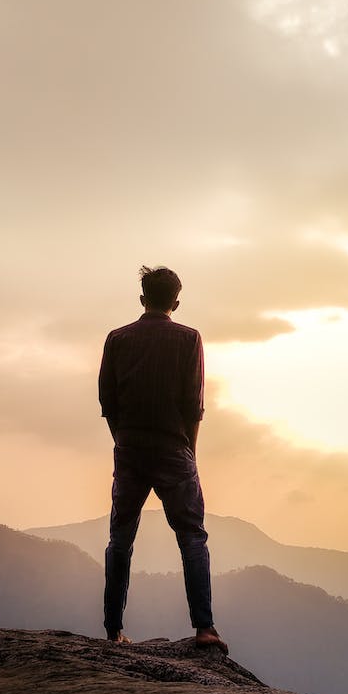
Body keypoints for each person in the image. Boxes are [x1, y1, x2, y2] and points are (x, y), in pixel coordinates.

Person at [98, 266, 228, 654]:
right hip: (175, 449)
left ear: (142, 299)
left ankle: (113, 632)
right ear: (176, 302)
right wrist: (191, 451)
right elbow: (195, 405)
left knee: (120, 538)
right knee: (192, 535)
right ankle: (204, 628)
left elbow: (108, 403)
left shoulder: (117, 339)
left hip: (130, 448)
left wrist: (122, 441)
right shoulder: (189, 339)